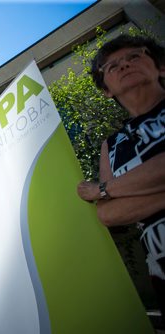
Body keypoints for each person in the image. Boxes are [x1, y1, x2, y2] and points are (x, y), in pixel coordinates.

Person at [76, 34, 165, 324]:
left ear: (160, 67)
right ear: (105, 90)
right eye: (112, 67)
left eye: (135, 56)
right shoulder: (113, 145)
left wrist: (104, 189)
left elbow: (104, 196)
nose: (124, 66)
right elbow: (109, 213)